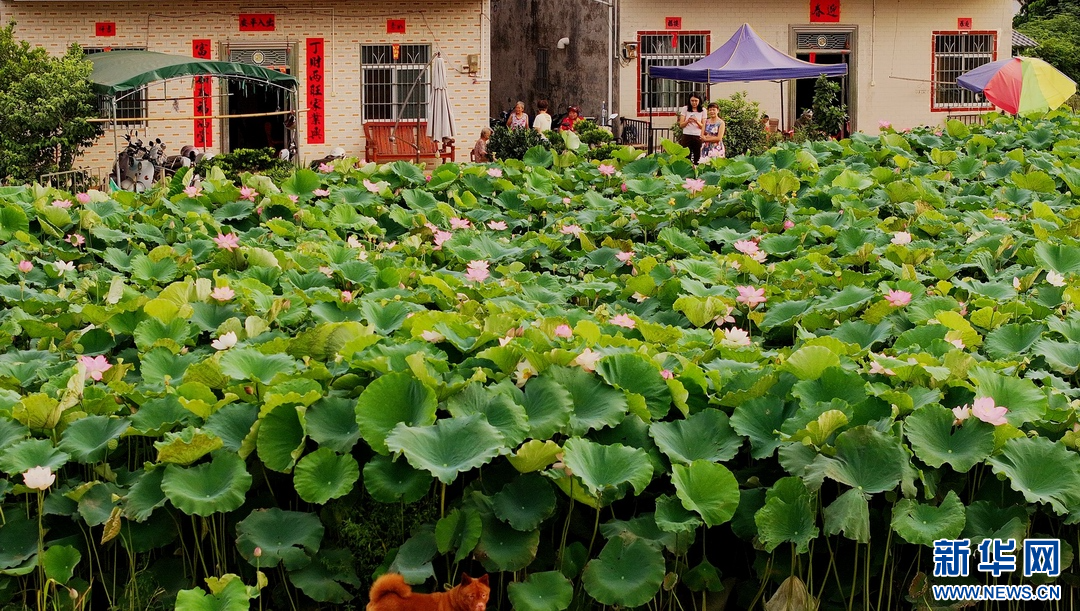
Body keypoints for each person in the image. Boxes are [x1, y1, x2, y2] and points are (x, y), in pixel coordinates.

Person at [678, 93, 706, 164]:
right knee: (686, 155)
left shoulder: (703, 110)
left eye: (696, 101)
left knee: (698, 155)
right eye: (692, 101)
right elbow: (681, 125)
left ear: (699, 101)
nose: (694, 103)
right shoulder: (685, 109)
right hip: (687, 134)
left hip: (697, 135)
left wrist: (697, 121)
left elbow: (703, 126)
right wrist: (687, 121)